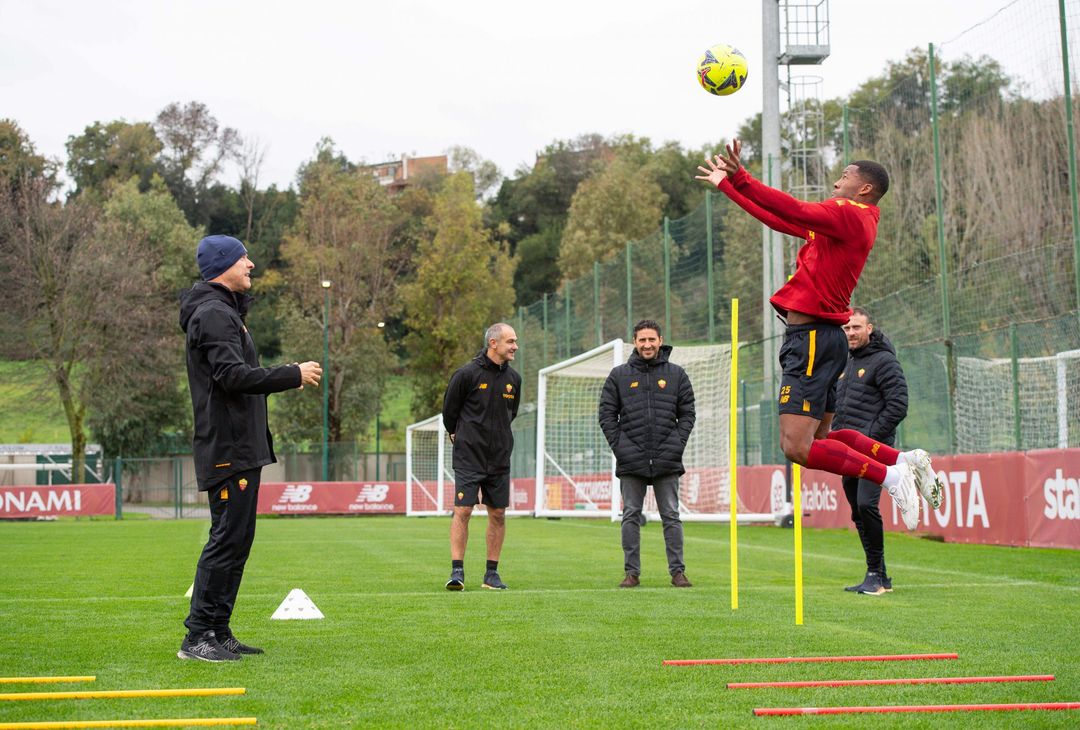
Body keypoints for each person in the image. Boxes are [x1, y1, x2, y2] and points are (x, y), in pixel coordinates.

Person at [695, 141, 944, 532]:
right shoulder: (844, 222)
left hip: (811, 337)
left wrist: (742, 177)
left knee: (797, 447)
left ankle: (891, 479)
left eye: (844, 176)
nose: (835, 181)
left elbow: (792, 208)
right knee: (825, 436)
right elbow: (779, 220)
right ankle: (901, 460)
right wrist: (728, 186)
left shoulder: (849, 213)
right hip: (822, 337)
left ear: (863, 188)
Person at [178, 234, 321, 662]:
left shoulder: (225, 313)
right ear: (223, 264)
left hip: (241, 445)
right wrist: (290, 374)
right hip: (227, 446)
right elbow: (234, 377)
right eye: (244, 259)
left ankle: (219, 631)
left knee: (238, 540)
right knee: (226, 539)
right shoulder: (214, 314)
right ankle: (197, 636)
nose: (251, 264)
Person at [598, 320, 695, 588]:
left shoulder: (677, 374)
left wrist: (677, 444)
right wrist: (621, 447)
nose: (647, 345)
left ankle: (678, 572)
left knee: (671, 516)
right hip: (631, 460)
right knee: (630, 514)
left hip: (667, 457)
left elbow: (688, 413)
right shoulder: (619, 375)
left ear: (660, 340)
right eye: (642, 340)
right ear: (635, 342)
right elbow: (606, 414)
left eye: (651, 339)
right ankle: (632, 573)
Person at [834, 308, 909, 596]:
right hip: (846, 452)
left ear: (870, 329)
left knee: (867, 505)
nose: (850, 333)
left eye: (855, 327)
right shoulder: (844, 363)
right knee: (857, 511)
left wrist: (870, 438)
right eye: (846, 329)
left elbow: (898, 405)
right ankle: (879, 575)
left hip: (874, 450)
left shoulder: (884, 361)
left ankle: (875, 575)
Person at [442, 323, 521, 591]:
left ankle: (491, 574)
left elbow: (512, 414)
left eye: (515, 341)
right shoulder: (466, 374)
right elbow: (449, 413)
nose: (515, 346)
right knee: (463, 510)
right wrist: (458, 434)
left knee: (498, 513)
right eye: (510, 341)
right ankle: (457, 571)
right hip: (469, 456)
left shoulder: (514, 380)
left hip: (499, 457)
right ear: (493, 343)